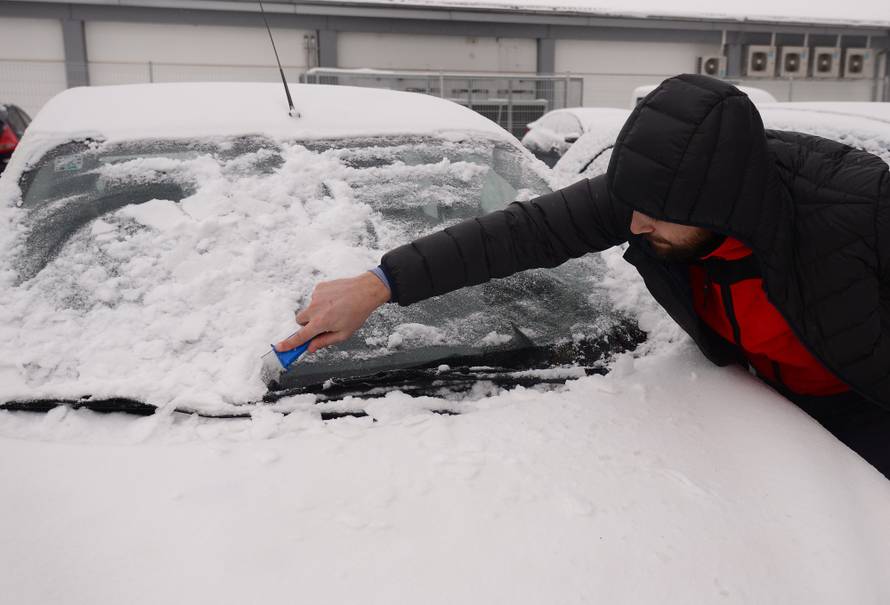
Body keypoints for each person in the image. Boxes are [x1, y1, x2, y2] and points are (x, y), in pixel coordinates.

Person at [276, 74, 890, 477]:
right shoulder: (653, 195)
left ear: (721, 205)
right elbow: (523, 231)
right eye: (631, 210)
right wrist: (379, 284)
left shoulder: (860, 211)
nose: (637, 226)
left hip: (866, 408)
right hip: (765, 410)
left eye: (656, 217)